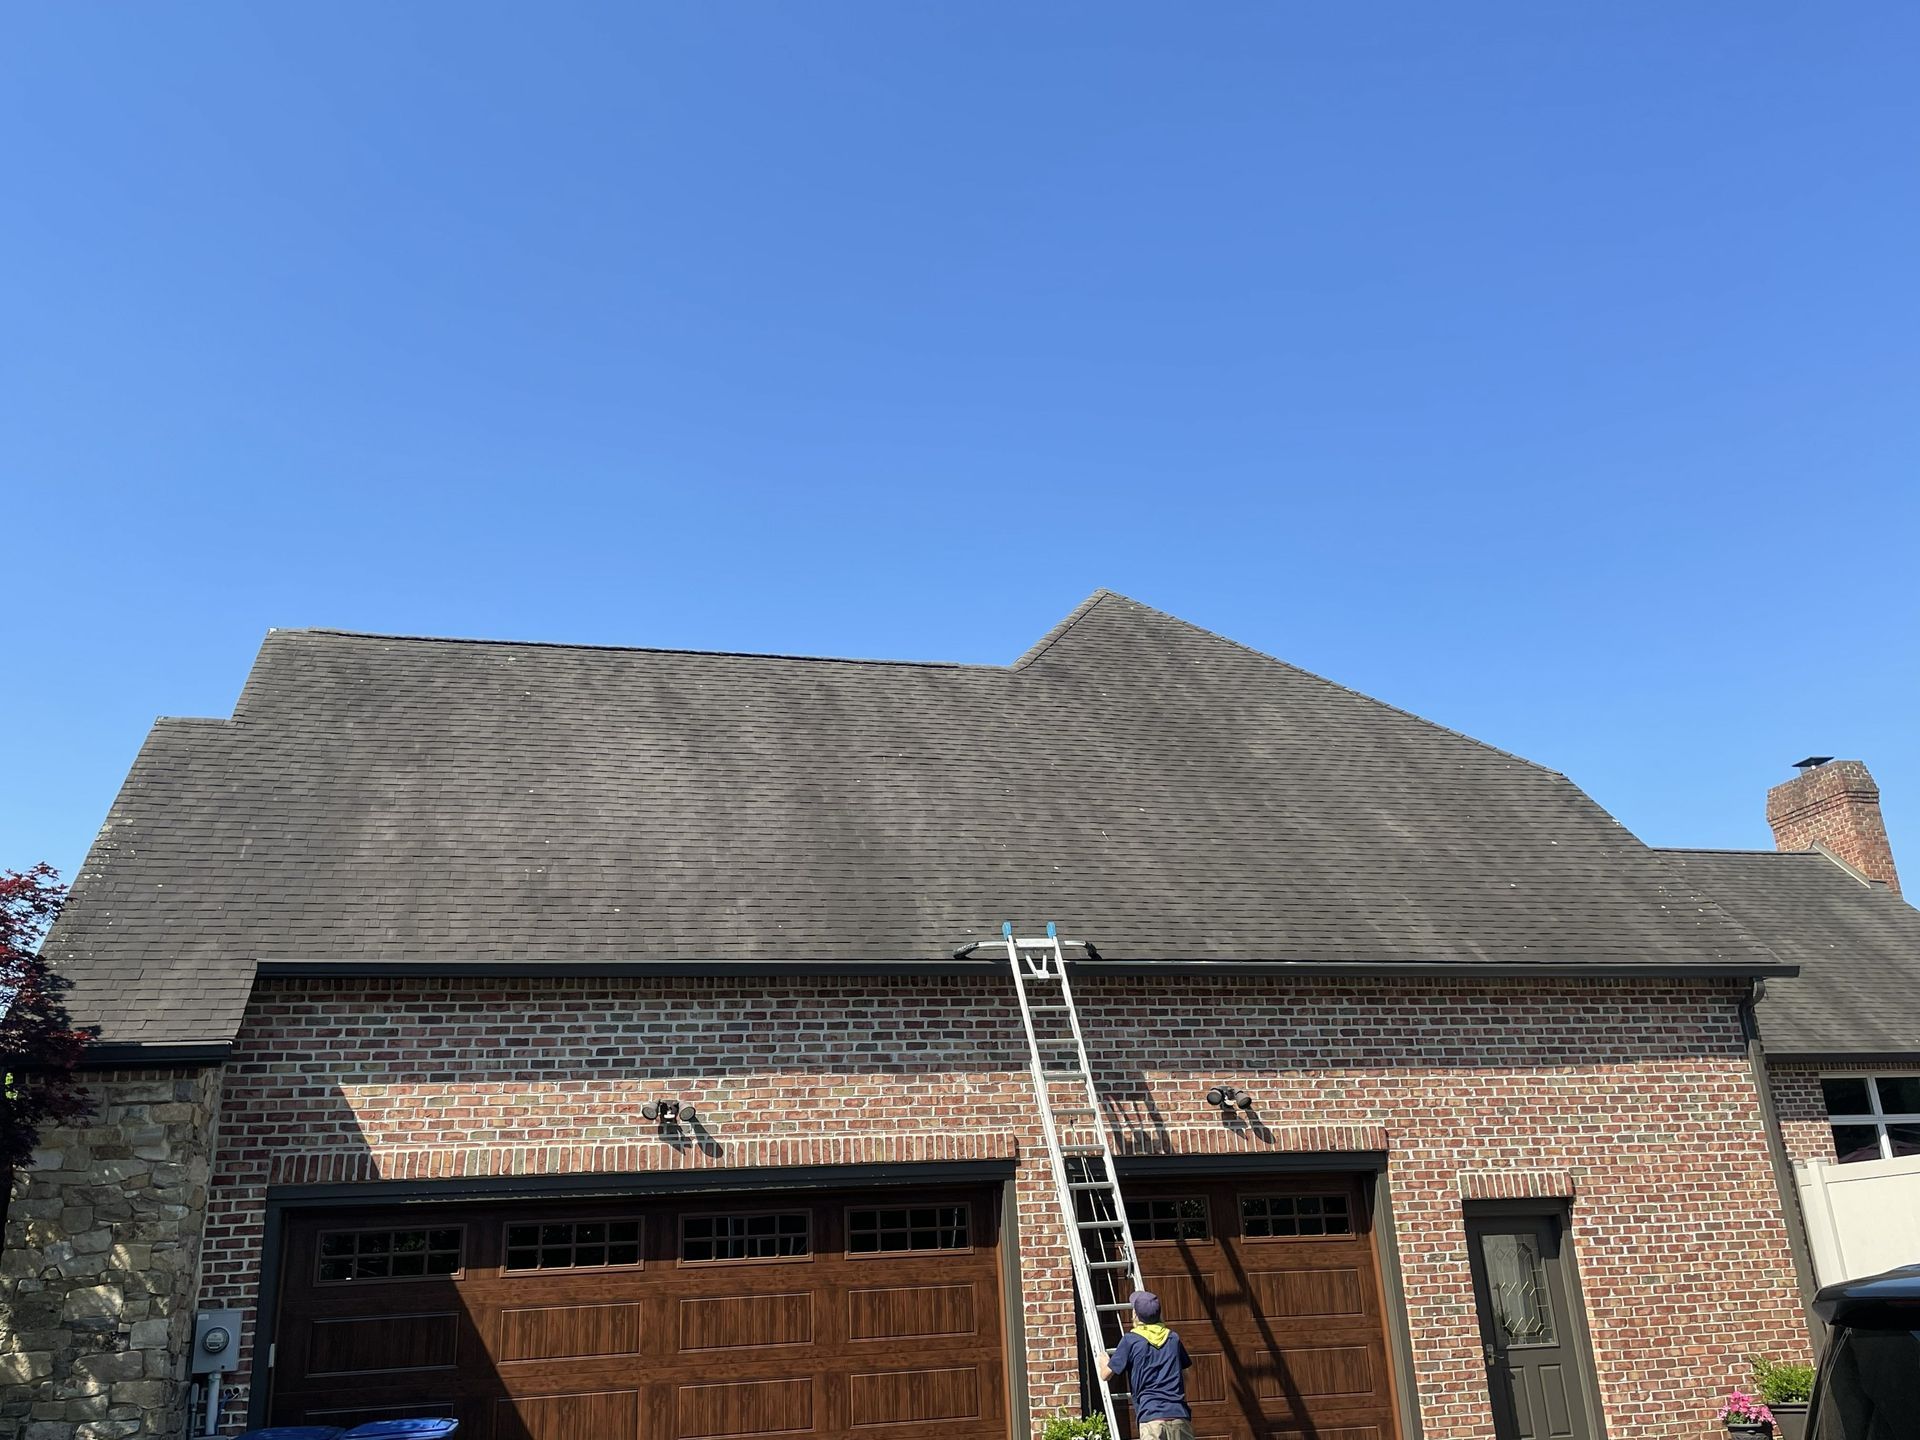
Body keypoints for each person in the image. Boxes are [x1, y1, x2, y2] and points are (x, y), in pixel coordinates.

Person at [1098, 1289, 1194, 1440]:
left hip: (1151, 1418)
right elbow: (1186, 1375)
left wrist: (1104, 1361)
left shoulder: (1131, 1340)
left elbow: (1106, 1375)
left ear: (1135, 1315)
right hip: (1179, 1416)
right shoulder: (1173, 1338)